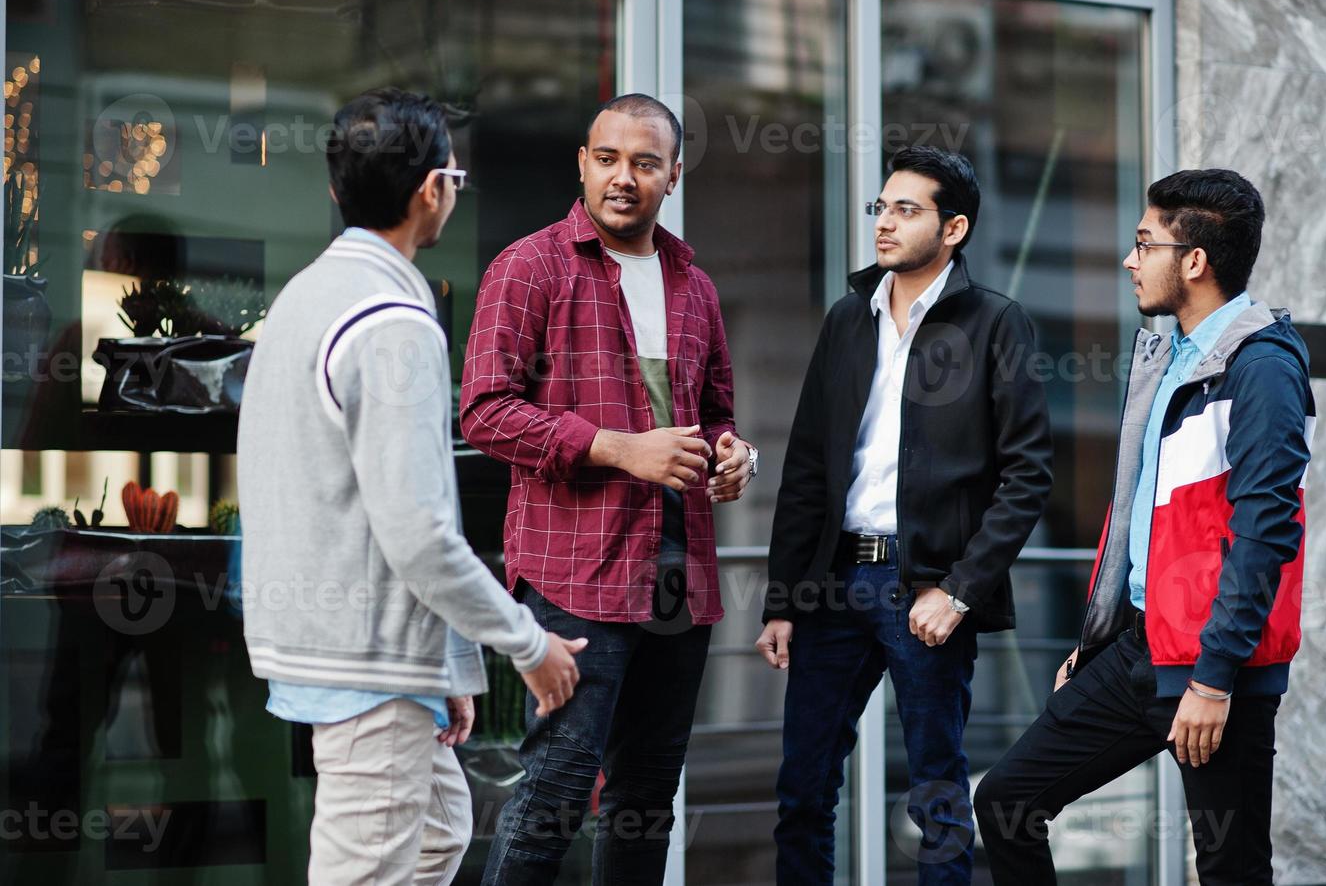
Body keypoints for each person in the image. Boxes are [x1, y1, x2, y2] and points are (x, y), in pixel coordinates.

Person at [238, 88, 584, 886]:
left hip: (341, 646)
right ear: (433, 190)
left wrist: (446, 666)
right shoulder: (392, 318)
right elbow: (419, 530)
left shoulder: (303, 298)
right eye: (452, 177)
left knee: (437, 835)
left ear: (337, 191)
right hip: (365, 658)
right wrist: (527, 647)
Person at [973, 169, 1316, 885]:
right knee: (1007, 800)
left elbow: (1264, 532)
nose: (1129, 261)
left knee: (1231, 869)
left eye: (1143, 243)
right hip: (1138, 650)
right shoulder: (1174, 356)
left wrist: (1214, 680)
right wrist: (1096, 642)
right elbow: (1144, 520)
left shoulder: (1260, 368)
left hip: (1216, 670)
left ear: (1193, 261)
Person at [461, 93, 754, 885]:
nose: (624, 178)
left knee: (645, 798)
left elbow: (713, 410)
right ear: (583, 164)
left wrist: (733, 453)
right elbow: (485, 412)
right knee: (556, 787)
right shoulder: (529, 265)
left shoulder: (694, 287)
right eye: (608, 159)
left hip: (677, 570)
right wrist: (616, 448)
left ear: (673, 175)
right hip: (572, 572)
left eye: (645, 163)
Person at [756, 146, 1054, 885]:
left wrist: (957, 590)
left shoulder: (995, 323)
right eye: (879, 207)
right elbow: (805, 468)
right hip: (830, 584)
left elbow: (1027, 475)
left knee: (936, 796)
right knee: (801, 790)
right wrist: (784, 599)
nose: (883, 223)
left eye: (905, 209)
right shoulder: (847, 319)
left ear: (952, 229)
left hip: (922, 588)